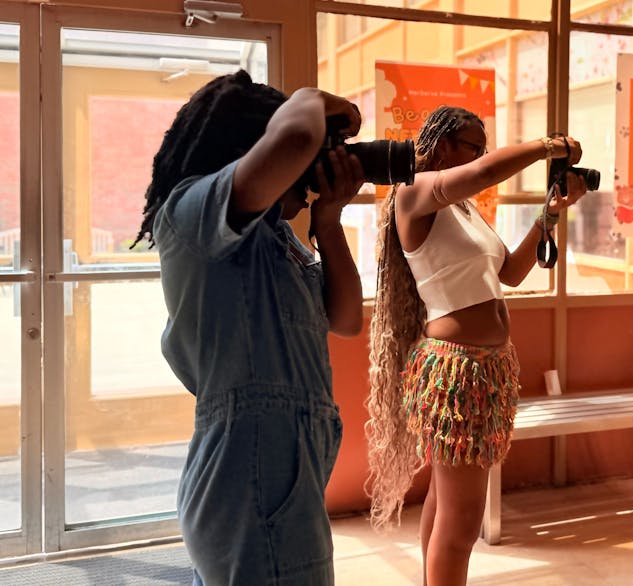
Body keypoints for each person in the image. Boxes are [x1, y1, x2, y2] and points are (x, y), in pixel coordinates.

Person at [132, 70, 365, 586]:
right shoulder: (189, 210)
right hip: (250, 477)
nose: (307, 175)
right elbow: (297, 138)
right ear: (251, 149)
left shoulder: (274, 239)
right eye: (303, 167)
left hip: (278, 476)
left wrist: (327, 223)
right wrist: (309, 97)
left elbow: (347, 320)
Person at [365, 105, 587, 586]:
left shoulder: (463, 209)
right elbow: (483, 174)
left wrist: (549, 214)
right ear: (443, 146)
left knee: (447, 504)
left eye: (482, 150)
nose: (480, 158)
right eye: (472, 147)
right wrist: (549, 146)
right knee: (464, 521)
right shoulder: (413, 194)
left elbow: (509, 273)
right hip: (456, 371)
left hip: (486, 369)